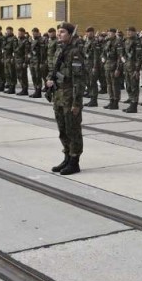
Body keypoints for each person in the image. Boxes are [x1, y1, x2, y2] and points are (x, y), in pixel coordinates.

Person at [47, 23, 87, 176]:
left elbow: (79, 80)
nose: (59, 34)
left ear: (70, 34)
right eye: (58, 32)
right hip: (59, 96)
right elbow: (53, 70)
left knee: (73, 130)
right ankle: (66, 156)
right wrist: (49, 80)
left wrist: (77, 103)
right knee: (62, 130)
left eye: (62, 32)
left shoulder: (75, 52)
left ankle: (74, 161)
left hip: (70, 97)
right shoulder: (59, 50)